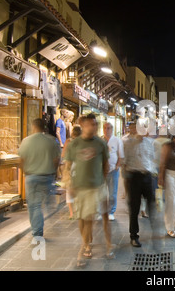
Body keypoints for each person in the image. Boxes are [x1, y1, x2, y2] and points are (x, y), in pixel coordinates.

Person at [63, 114, 112, 267]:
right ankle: (86, 244)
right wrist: (68, 184)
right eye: (91, 124)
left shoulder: (100, 143)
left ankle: (86, 251)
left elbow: (106, 164)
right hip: (80, 187)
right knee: (82, 219)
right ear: (83, 125)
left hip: (96, 186)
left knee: (95, 217)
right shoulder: (74, 144)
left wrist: (102, 180)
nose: (94, 127)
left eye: (95, 124)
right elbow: (68, 166)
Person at [18, 119, 61, 239]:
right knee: (46, 202)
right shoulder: (51, 141)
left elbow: (21, 160)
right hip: (47, 176)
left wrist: (24, 172)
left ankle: (37, 231)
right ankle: (50, 214)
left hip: (31, 177)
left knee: (34, 205)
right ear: (44, 127)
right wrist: (53, 171)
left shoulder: (26, 141)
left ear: (33, 127)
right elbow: (57, 159)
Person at [122, 121, 156, 247]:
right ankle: (133, 236)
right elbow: (124, 162)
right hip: (134, 177)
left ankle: (155, 231)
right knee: (134, 208)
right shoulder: (128, 143)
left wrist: (152, 172)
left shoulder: (149, 143)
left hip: (147, 176)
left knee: (152, 204)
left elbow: (151, 158)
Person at [103, 122, 124, 221]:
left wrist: (116, 166)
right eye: (105, 128)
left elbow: (121, 156)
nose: (106, 130)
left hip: (113, 171)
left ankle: (111, 211)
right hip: (101, 172)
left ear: (112, 129)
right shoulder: (100, 140)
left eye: (108, 128)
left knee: (112, 193)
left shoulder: (117, 140)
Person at [62, 125, 82, 220]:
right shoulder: (83, 142)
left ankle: (71, 213)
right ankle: (78, 210)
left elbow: (63, 155)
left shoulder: (68, 142)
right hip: (80, 168)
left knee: (69, 191)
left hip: (69, 167)